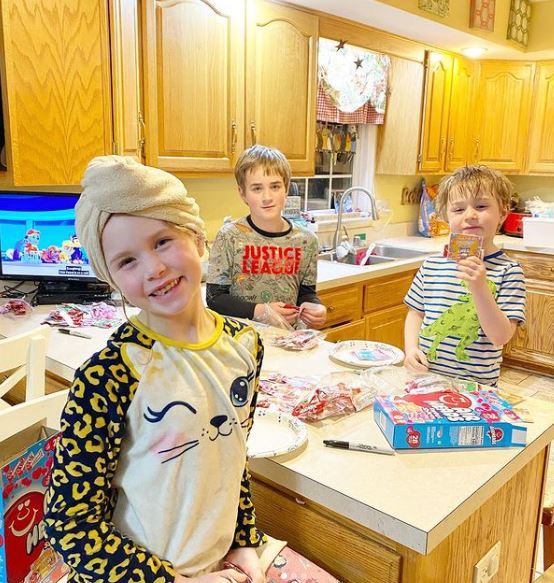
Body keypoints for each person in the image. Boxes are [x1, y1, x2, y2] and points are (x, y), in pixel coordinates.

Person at [44, 156, 339, 583]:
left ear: (198, 238)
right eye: (127, 261)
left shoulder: (244, 345)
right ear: (111, 278)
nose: (154, 268)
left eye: (162, 241)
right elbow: (69, 523)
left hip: (220, 563)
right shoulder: (110, 375)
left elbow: (231, 457)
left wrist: (243, 537)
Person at [403, 165, 526, 386]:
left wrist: (479, 288)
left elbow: (500, 337)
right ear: (445, 216)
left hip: (477, 388)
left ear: (503, 213)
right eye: (458, 210)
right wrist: (411, 349)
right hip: (426, 379)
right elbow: (416, 314)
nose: (470, 215)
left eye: (481, 206)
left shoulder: (509, 271)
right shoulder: (432, 265)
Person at [206, 145, 326, 329]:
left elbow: (305, 293)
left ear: (286, 188)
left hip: (286, 339)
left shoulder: (306, 240)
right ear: (242, 193)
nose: (267, 197)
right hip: (240, 341)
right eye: (256, 188)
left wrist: (313, 306)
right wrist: (261, 310)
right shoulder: (229, 236)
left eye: (275, 186)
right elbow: (215, 299)